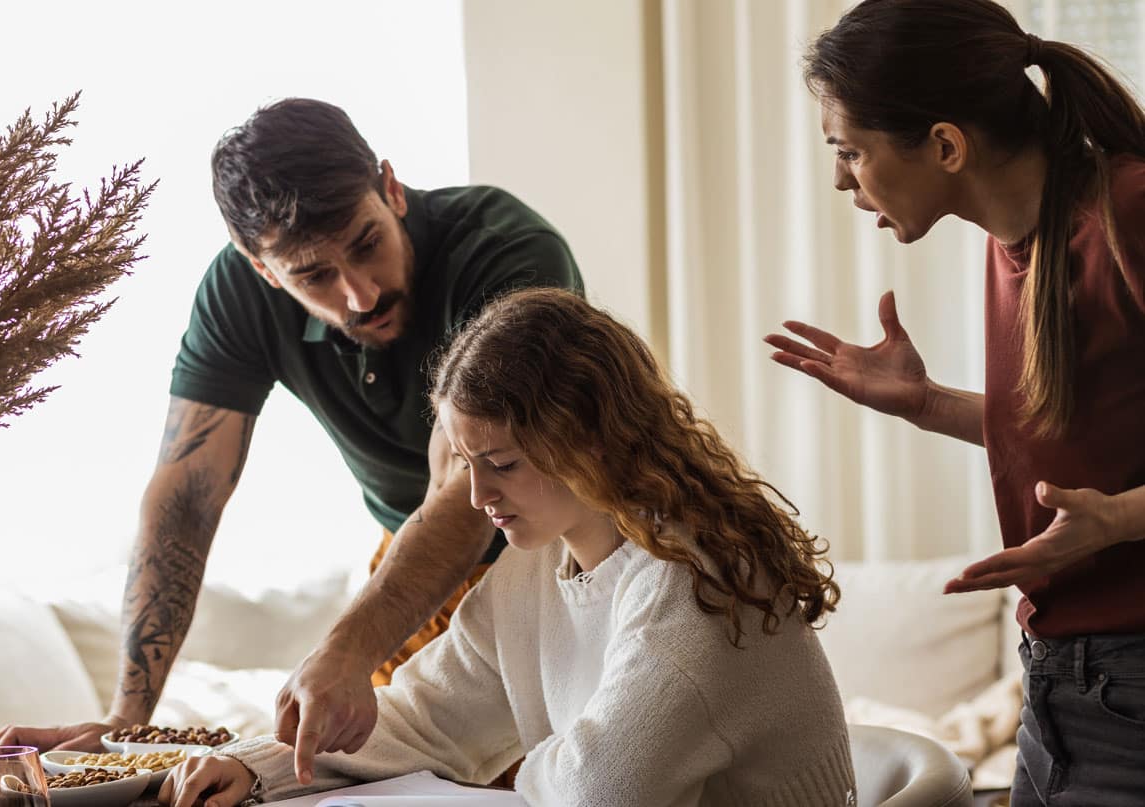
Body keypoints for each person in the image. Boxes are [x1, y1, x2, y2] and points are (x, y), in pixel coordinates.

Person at [0, 99, 583, 782]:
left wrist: (347, 647)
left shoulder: (505, 251)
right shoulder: (237, 295)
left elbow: (465, 492)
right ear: (262, 268)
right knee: (369, 780)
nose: (359, 295)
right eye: (313, 275)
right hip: (416, 574)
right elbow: (187, 495)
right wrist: (128, 718)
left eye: (366, 243)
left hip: (562, 559)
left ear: (390, 187)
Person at [157, 287, 855, 807]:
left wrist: (530, 759)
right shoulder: (535, 568)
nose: (476, 495)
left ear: (588, 439)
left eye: (503, 462)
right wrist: (260, 763)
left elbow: (600, 790)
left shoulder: (692, 584)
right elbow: (426, 714)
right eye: (465, 462)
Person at [764, 1, 1145, 803]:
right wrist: (926, 402)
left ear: (944, 144)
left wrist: (1120, 520)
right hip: (1058, 685)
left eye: (850, 151)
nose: (840, 177)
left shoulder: (1129, 212)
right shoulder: (1015, 241)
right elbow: (1082, 434)